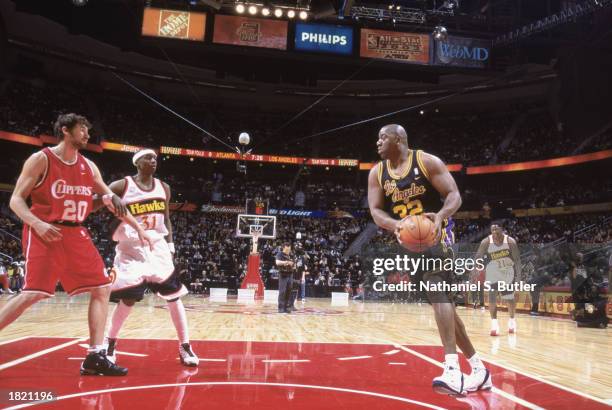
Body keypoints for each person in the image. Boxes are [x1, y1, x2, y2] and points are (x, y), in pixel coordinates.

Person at [0, 113, 152, 376]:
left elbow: (112, 202)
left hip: (76, 234)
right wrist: (37, 223)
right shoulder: (41, 160)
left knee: (102, 288)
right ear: (65, 130)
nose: (87, 134)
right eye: (82, 129)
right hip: (45, 231)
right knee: (33, 293)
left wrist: (139, 228)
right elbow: (15, 200)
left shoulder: (89, 167)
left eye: (88, 130)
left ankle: (95, 356)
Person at [367, 124, 491, 394]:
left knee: (438, 294)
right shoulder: (377, 172)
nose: (377, 142)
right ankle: (480, 370)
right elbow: (376, 211)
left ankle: (452, 369)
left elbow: (454, 195)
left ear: (398, 139)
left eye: (383, 137)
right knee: (442, 307)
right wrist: (395, 225)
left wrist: (441, 216)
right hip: (411, 244)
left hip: (438, 235)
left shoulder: (426, 162)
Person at [98, 149, 199, 367]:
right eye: (148, 158)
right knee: (129, 298)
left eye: (155, 158)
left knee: (173, 296)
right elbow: (98, 199)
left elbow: (167, 218)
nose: (153, 161)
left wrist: (171, 243)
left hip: (157, 245)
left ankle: (185, 345)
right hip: (130, 246)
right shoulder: (121, 185)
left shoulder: (164, 188)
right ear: (137, 163)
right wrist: (108, 201)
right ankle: (110, 342)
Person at [473, 224, 521, 335]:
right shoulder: (486, 242)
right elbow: (478, 257)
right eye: (492, 230)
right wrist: (476, 269)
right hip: (493, 272)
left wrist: (518, 278)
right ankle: (494, 324)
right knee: (492, 297)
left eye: (497, 229)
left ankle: (512, 320)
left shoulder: (510, 242)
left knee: (509, 299)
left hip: (508, 272)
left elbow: (517, 260)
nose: (495, 232)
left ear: (502, 230)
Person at [276, 242, 294, 313]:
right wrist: (285, 262)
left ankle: (286, 307)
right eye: (287, 249)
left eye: (289, 249)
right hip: (283, 275)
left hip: (290, 274)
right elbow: (277, 262)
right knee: (282, 291)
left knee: (289, 291)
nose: (288, 251)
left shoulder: (290, 255)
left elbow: (293, 263)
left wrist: (292, 264)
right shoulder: (279, 254)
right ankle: (280, 308)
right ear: (283, 248)